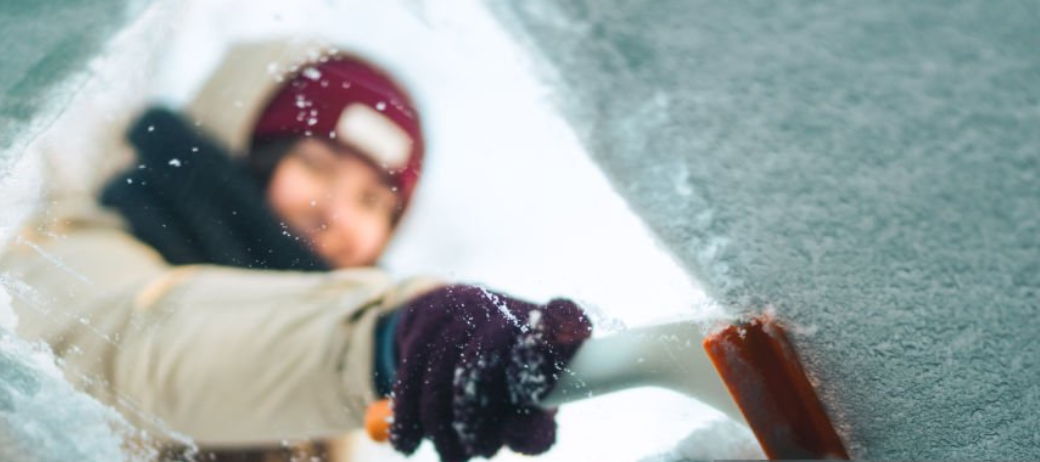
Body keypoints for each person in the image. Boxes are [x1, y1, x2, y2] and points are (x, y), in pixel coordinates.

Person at [1, 40, 592, 462]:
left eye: (372, 201)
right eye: (314, 164)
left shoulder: (336, 428)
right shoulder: (66, 260)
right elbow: (149, 350)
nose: (337, 213)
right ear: (238, 152)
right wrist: (383, 338)